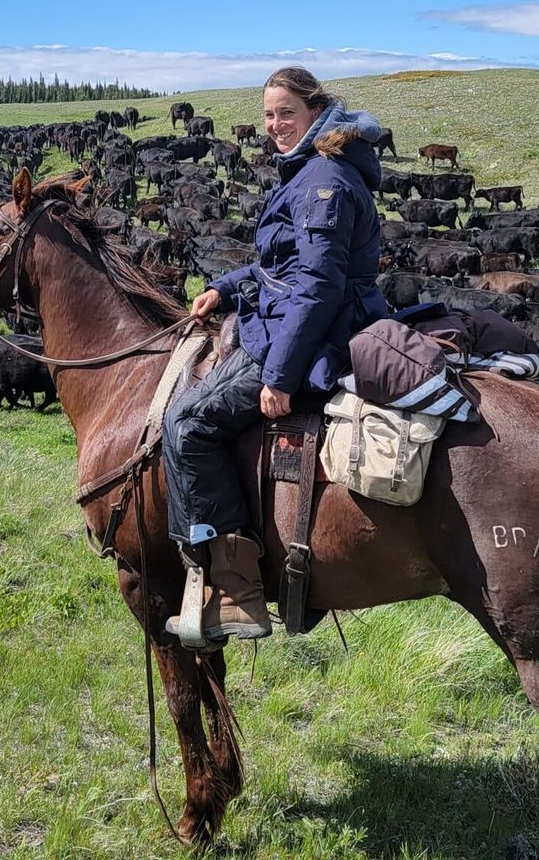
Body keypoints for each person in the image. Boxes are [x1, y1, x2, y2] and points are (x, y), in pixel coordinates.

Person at [160, 67, 390, 645]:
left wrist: (283, 374)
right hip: (296, 320)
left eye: (285, 112)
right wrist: (229, 286)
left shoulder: (323, 182)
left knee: (186, 422)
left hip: (314, 338)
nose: (274, 125)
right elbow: (280, 267)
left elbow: (316, 287)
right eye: (267, 115)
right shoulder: (313, 171)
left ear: (314, 112)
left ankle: (239, 593)